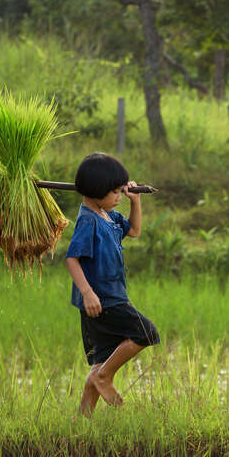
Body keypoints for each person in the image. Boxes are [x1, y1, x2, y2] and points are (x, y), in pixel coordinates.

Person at [66, 152, 159, 416]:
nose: (120, 196)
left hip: (111, 295)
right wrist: (88, 293)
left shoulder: (108, 214)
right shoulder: (88, 220)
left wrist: (135, 201)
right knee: (147, 333)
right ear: (97, 191)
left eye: (121, 191)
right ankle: (105, 377)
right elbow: (72, 259)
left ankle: (82, 423)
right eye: (116, 192)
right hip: (103, 300)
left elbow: (135, 231)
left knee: (99, 364)